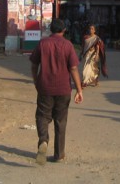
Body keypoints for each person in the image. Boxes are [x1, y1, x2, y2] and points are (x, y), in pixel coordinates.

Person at [30, 18, 83, 165]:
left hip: (44, 87)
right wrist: (79, 90)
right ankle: (59, 154)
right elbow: (73, 68)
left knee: (42, 116)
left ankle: (43, 140)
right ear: (64, 30)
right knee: (60, 121)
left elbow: (34, 65)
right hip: (63, 89)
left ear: (50, 29)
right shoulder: (68, 45)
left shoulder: (42, 43)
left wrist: (36, 81)